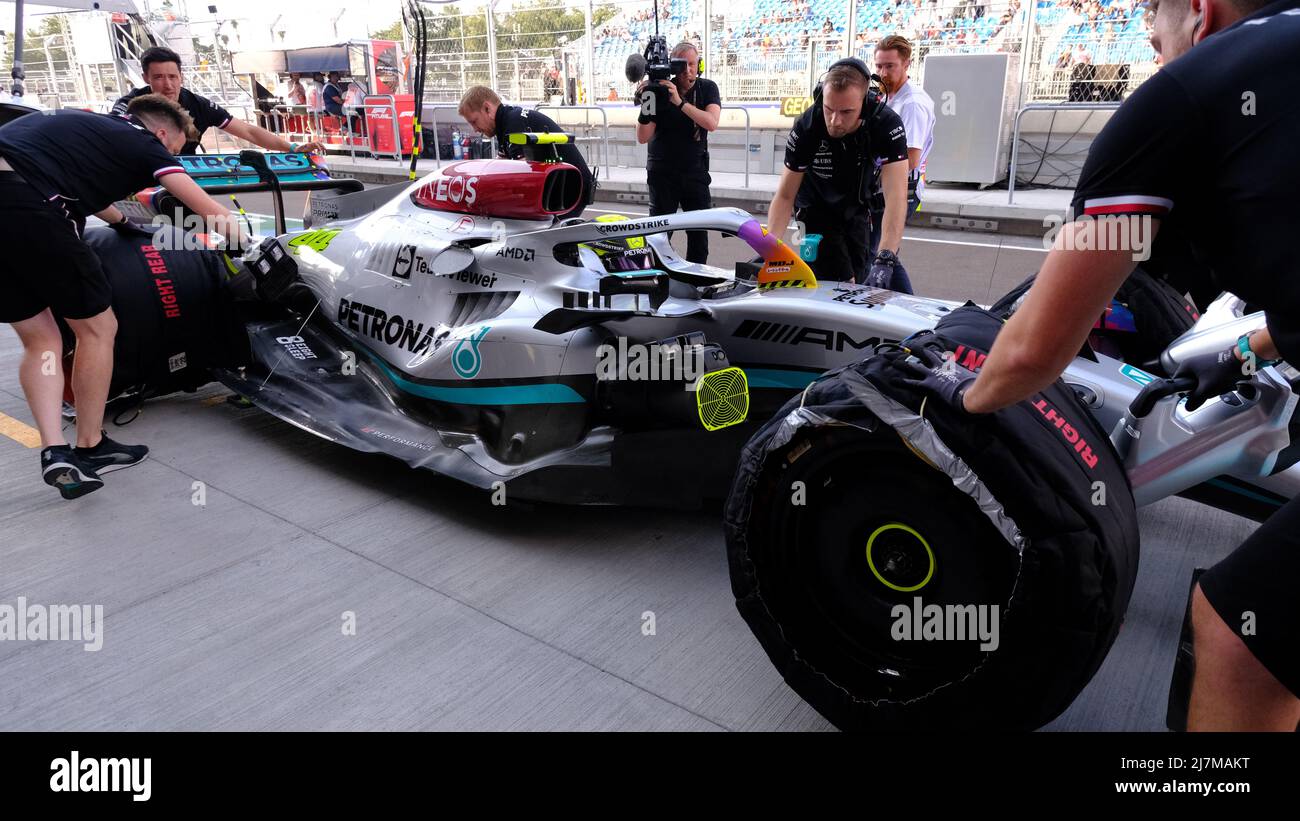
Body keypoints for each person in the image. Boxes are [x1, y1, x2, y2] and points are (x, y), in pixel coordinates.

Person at [900, 0, 1300, 731]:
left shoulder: (1182, 95)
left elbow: (1034, 347)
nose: (1153, 53)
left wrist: (956, 396)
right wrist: (1249, 347)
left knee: (1240, 634)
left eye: (1154, 34)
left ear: (1200, 14)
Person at [0, 95, 247, 499]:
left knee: (41, 340)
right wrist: (246, 245)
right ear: (162, 133)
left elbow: (94, 198)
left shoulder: (88, 129)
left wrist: (126, 223)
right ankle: (90, 445)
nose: (172, 157)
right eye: (175, 150)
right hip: (29, 205)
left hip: (11, 201)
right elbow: (203, 206)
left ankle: (54, 450)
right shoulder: (143, 141)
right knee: (97, 329)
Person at [766, 59, 912, 289]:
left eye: (846, 112)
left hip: (857, 206)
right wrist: (770, 250)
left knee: (862, 282)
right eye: (828, 109)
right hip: (814, 209)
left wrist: (886, 257)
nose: (835, 121)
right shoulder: (807, 125)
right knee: (838, 283)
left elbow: (896, 197)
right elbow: (785, 195)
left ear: (865, 104)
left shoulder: (886, 124)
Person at [111, 47, 323, 155]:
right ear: (145, 78)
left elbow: (248, 131)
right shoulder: (130, 105)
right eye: (158, 77)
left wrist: (292, 148)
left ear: (181, 77)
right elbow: (113, 135)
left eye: (173, 77)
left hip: (183, 178)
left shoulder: (198, 104)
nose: (168, 85)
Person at [634, 42, 722, 264]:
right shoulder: (658, 91)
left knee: (699, 239)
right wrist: (647, 103)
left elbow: (711, 122)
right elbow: (642, 137)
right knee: (658, 238)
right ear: (672, 66)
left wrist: (679, 102)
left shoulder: (707, 88)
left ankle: (696, 280)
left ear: (699, 64)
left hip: (695, 173)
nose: (687, 70)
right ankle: (660, 279)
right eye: (682, 65)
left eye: (692, 64)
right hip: (662, 175)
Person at [458, 85, 594, 221]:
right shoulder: (507, 120)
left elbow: (520, 173)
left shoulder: (513, 123)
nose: (475, 129)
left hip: (570, 188)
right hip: (565, 185)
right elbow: (499, 165)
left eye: (474, 121)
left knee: (534, 229)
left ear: (487, 109)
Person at [870, 34, 935, 255]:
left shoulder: (912, 103)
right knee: (878, 255)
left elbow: (911, 158)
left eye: (890, 66)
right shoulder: (886, 95)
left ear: (906, 64)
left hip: (899, 189)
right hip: (882, 187)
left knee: (878, 253)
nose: (883, 73)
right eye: (879, 66)